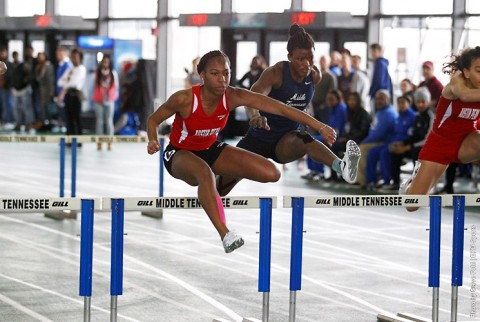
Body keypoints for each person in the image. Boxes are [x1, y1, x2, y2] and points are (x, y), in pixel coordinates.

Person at [147, 49, 349, 253]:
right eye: (215, 74)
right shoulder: (185, 99)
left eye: (226, 73)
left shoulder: (233, 96)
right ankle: (225, 233)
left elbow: (280, 108)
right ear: (202, 76)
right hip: (179, 152)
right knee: (204, 173)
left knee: (271, 173)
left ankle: (212, 194)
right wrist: (153, 140)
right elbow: (153, 120)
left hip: (210, 148)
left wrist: (319, 126)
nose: (222, 79)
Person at [216, 24, 361, 196]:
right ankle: (212, 193)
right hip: (259, 138)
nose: (306, 64)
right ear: (290, 57)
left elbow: (304, 102)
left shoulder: (315, 76)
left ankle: (341, 166)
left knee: (305, 140)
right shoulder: (276, 73)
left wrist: (306, 118)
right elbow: (253, 95)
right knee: (220, 189)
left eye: (310, 59)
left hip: (286, 140)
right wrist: (255, 115)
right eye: (300, 59)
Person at [401, 47, 480, 211]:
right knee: (412, 205)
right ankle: (409, 187)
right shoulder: (456, 84)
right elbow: (464, 96)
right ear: (466, 72)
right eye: (479, 71)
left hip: (467, 141)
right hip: (440, 144)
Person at [385, 87, 434, 191]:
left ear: (428, 102)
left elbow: (428, 139)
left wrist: (408, 147)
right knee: (395, 152)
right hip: (414, 146)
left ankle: (417, 185)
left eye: (423, 102)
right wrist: (402, 143)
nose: (420, 104)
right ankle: (395, 182)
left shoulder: (431, 116)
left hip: (427, 148)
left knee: (416, 153)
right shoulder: (417, 115)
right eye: (418, 102)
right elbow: (413, 136)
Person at [364, 94, 415, 190]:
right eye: (399, 103)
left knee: (384, 152)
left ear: (409, 103)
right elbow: (392, 133)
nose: (401, 105)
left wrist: (403, 143)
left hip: (405, 145)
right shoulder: (398, 118)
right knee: (373, 151)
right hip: (392, 143)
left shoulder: (413, 117)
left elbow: (413, 135)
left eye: (403, 103)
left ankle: (386, 180)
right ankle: (371, 180)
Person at [357, 89, 397, 188]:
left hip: (385, 141)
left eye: (382, 99)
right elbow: (373, 130)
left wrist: (364, 142)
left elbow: (380, 134)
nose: (379, 101)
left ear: (388, 99)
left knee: (362, 148)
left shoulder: (389, 113)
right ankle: (368, 180)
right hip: (377, 140)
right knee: (364, 148)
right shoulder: (380, 112)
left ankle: (363, 180)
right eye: (377, 99)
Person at [57, 48, 86, 143]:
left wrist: (67, 81)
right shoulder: (70, 69)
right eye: (72, 57)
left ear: (80, 58)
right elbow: (60, 82)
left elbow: (74, 83)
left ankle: (79, 141)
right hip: (68, 96)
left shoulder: (81, 69)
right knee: (68, 119)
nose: (74, 59)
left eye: (76, 57)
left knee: (76, 119)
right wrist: (67, 82)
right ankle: (69, 140)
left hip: (76, 95)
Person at [93, 54, 119, 150]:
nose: (105, 64)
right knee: (99, 122)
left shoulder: (113, 73)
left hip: (109, 100)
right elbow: (94, 85)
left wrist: (113, 97)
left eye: (107, 62)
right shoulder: (97, 73)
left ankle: (109, 142)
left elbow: (116, 87)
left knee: (109, 121)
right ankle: (99, 142)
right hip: (99, 100)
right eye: (104, 62)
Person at [368, 43, 393, 114]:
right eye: (371, 52)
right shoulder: (380, 63)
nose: (372, 54)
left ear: (379, 51)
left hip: (379, 95)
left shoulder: (380, 64)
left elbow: (379, 82)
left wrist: (371, 93)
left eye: (374, 51)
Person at [34, 52, 55, 129]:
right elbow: (37, 79)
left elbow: (51, 79)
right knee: (42, 107)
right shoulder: (38, 67)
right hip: (41, 89)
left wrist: (51, 90)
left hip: (48, 89)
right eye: (39, 57)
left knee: (48, 106)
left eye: (41, 57)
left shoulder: (48, 66)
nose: (40, 58)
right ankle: (43, 121)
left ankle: (49, 122)